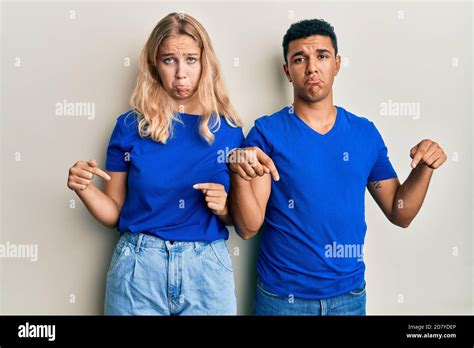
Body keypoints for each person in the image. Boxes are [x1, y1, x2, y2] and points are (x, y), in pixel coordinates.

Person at [228, 18, 447, 316]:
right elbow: (248, 227)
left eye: (322, 56)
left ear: (337, 64)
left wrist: (424, 167)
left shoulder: (363, 133)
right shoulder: (266, 133)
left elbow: (400, 213)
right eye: (299, 59)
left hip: (349, 298)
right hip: (282, 299)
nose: (312, 68)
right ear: (287, 71)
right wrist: (237, 172)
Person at [67, 12, 243, 315]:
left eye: (190, 59)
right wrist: (84, 188)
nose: (180, 74)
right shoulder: (129, 126)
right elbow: (114, 213)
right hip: (138, 269)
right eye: (168, 60)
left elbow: (241, 219)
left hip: (207, 271)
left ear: (205, 62)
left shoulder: (229, 130)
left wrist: (225, 207)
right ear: (154, 65)